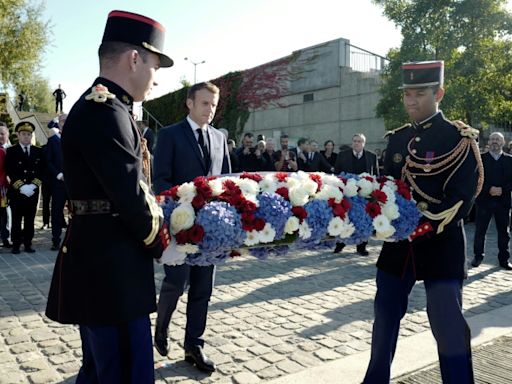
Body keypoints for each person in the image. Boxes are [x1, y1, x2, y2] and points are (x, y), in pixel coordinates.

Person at [45, 10, 172, 383]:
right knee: (120, 369)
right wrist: (163, 240)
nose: (156, 79)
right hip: (110, 268)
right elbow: (130, 193)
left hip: (108, 263)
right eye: (155, 66)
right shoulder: (104, 111)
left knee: (106, 367)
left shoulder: (109, 107)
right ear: (135, 58)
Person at [363, 60, 482, 383]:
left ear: (439, 93)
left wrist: (424, 222)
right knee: (384, 319)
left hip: (441, 243)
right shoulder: (397, 139)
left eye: (419, 94)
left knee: (448, 325)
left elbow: (462, 197)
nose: (411, 101)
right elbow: (385, 188)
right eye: (407, 94)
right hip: (399, 247)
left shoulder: (458, 139)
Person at [153, 82, 230, 373]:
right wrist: (180, 208)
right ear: (189, 103)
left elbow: (227, 182)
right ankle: (161, 327)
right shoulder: (170, 134)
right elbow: (160, 180)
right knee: (176, 284)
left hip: (211, 231)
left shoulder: (220, 138)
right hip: (181, 226)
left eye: (213, 104)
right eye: (204, 103)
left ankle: (194, 345)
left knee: (203, 289)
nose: (209, 110)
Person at [471, 132, 512, 270]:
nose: (495, 141)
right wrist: (488, 188)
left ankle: (504, 259)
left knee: (504, 232)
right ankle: (478, 257)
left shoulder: (509, 160)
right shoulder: (480, 159)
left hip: (503, 201)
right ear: (489, 142)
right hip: (484, 201)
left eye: (498, 139)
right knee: (480, 231)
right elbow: (476, 178)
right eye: (492, 139)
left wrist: (502, 190)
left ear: (503, 142)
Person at [334, 133, 379, 255]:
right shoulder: (342, 155)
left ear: (363, 143)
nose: (356, 143)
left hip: (365, 195)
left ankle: (361, 246)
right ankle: (340, 244)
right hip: (348, 193)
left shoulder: (371, 156)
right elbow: (337, 174)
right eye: (354, 141)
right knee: (345, 218)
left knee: (364, 219)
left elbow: (376, 175)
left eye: (359, 141)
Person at [5, 122, 44, 254]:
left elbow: (42, 171)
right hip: (17, 192)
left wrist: (33, 185)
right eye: (23, 134)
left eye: (29, 134)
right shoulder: (11, 151)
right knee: (16, 220)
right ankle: (16, 245)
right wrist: (21, 187)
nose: (26, 137)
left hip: (32, 192)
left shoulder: (38, 151)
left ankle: (28, 243)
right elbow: (9, 170)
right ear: (18, 135)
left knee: (29, 219)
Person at [46, 115, 68, 250]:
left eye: (67, 121)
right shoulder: (53, 140)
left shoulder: (75, 139)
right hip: (59, 183)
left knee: (76, 211)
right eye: (62, 121)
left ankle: (73, 239)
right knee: (56, 212)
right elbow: (48, 161)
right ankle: (56, 240)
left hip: (73, 183)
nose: (64, 124)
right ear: (58, 124)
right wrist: (58, 175)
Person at [0, 123, 10, 247]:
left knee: (6, 214)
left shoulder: (11, 150)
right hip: (1, 187)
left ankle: (6, 238)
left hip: (7, 189)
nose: (0, 136)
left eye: (3, 133)